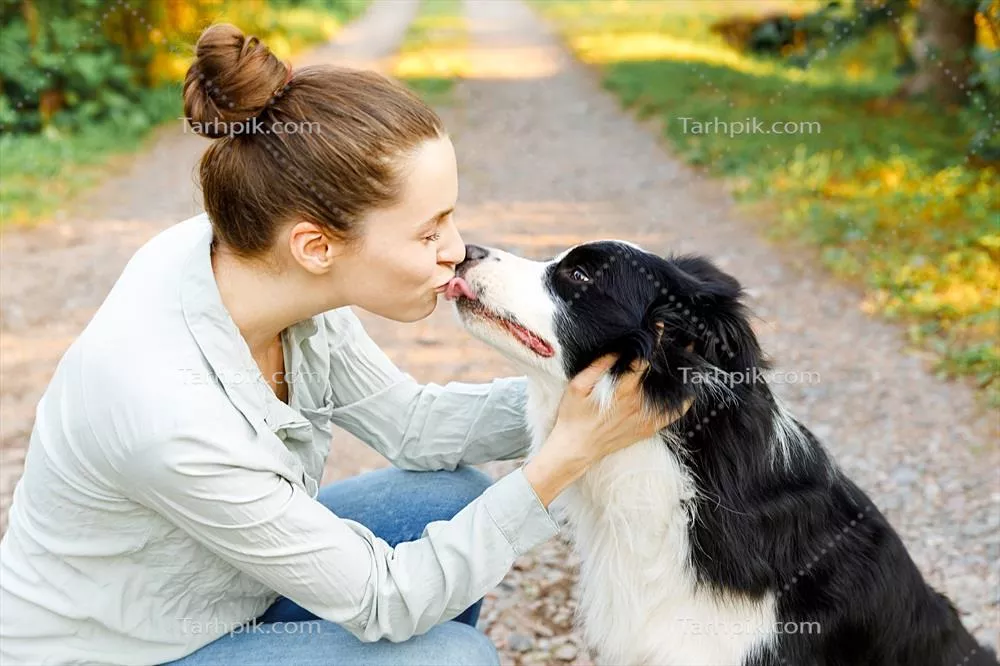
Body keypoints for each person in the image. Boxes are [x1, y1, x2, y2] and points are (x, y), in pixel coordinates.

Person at [0, 23, 690, 666]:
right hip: (127, 653)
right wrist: (564, 457)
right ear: (316, 245)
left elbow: (413, 427)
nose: (458, 251)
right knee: (451, 657)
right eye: (428, 232)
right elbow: (385, 601)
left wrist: (604, 390)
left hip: (227, 589)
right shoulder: (165, 409)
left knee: (445, 496)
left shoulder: (255, 260)